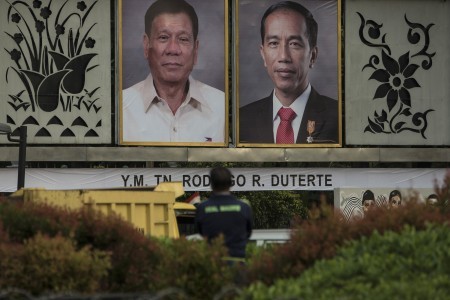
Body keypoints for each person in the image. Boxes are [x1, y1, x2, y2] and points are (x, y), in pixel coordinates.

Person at [122, 0, 225, 143]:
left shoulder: (223, 107)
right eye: (163, 37)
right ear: (147, 45)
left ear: (195, 50)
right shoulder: (121, 109)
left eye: (183, 39)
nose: (173, 49)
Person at [239, 0, 338, 144]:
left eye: (294, 44)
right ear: (263, 54)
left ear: (313, 56)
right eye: (274, 43)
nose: (283, 56)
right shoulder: (242, 120)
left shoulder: (340, 117)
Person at [195, 167, 253, 261]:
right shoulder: (244, 207)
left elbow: (201, 232)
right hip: (238, 264)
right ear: (231, 183)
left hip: (212, 265)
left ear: (211, 184)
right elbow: (248, 233)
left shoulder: (202, 208)